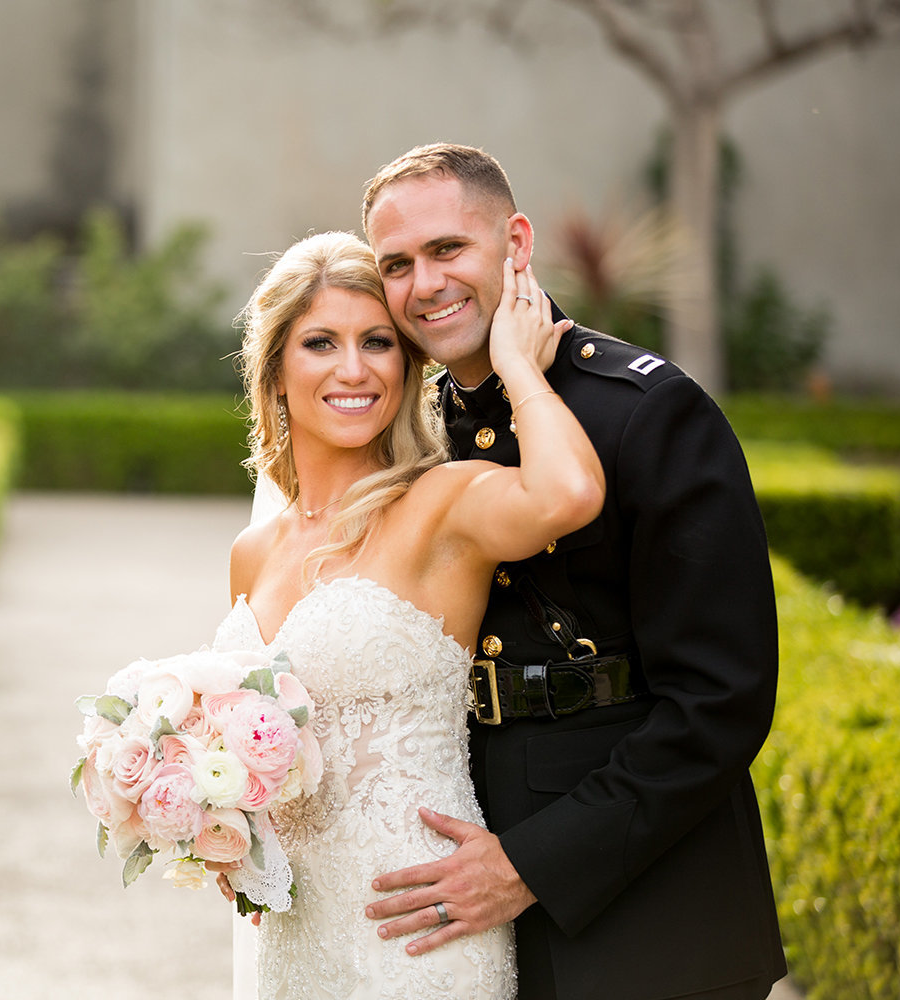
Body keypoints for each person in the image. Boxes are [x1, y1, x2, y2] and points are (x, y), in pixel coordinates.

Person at [359, 142, 786, 999]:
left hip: (650, 892)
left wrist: (533, 864)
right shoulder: (412, 436)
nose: (425, 284)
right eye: (396, 265)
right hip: (463, 869)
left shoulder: (647, 412)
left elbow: (721, 700)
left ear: (515, 244)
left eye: (448, 250)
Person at [211, 229, 604, 998]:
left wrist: (516, 368)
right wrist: (224, 826)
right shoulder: (251, 553)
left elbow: (569, 495)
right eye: (321, 343)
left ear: (407, 366)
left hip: (418, 929)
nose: (353, 369)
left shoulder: (442, 503)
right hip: (295, 937)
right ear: (276, 372)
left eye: (379, 343)